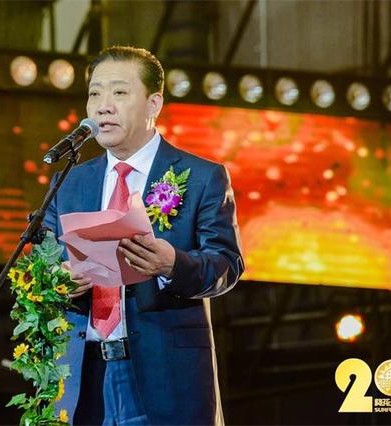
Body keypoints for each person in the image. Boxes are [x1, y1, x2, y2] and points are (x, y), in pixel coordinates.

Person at [44, 46, 244, 426]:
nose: (103, 106)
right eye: (94, 94)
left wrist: (173, 264)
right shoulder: (69, 182)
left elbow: (227, 265)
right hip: (83, 379)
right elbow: (45, 263)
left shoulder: (201, 177)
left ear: (154, 103)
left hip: (163, 378)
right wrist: (58, 280)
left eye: (119, 92)